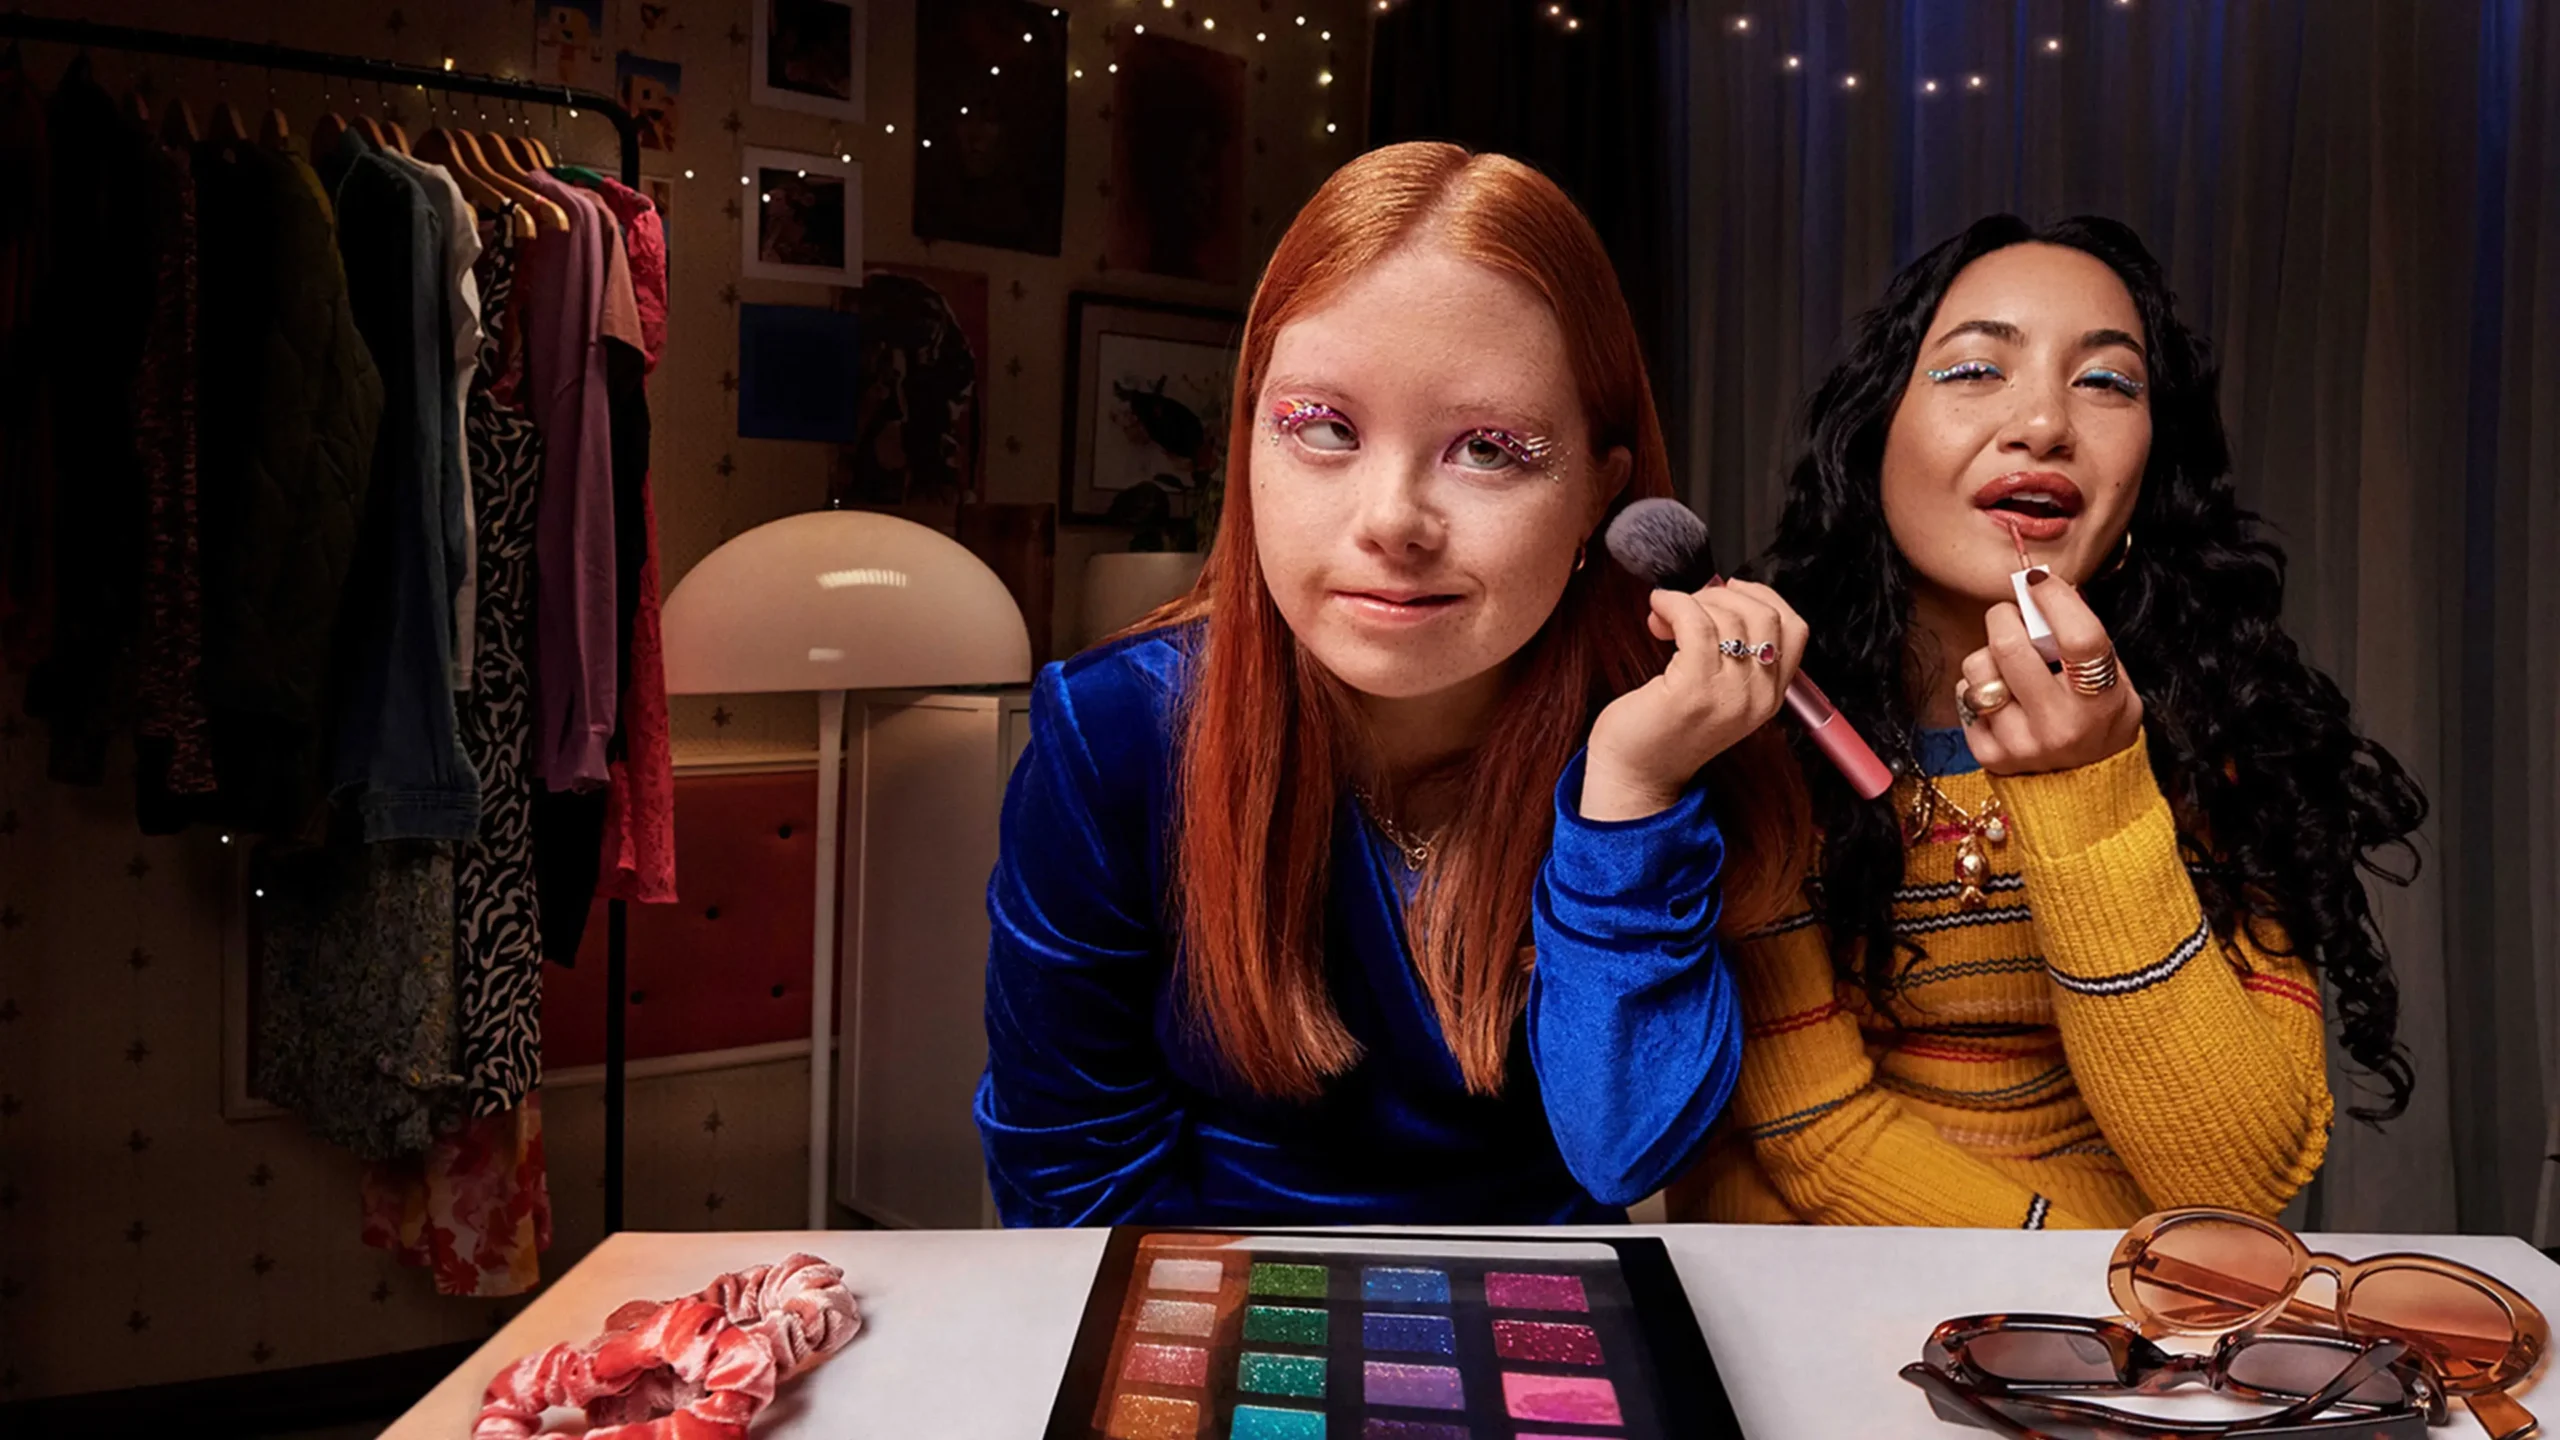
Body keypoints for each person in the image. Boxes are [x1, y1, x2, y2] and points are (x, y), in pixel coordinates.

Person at [974, 141, 1809, 1227]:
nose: (1391, 523)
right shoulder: (1114, 731)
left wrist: (1630, 797)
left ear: (1599, 496)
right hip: (1214, 1318)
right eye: (1322, 429)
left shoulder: (1663, 730)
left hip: (1538, 1321)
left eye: (1490, 449)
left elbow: (1628, 1151)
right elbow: (1068, 1175)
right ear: (1248, 447)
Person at [1672, 215, 2426, 1229]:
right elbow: (1809, 1137)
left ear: (2152, 467)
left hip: (2125, 1348)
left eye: (2107, 383)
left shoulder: (2223, 745)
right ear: (1872, 431)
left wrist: (2092, 787)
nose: (2043, 425)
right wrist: (2087, 1274)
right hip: (1828, 1314)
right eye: (1975, 369)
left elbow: (2235, 1180)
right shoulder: (1767, 740)